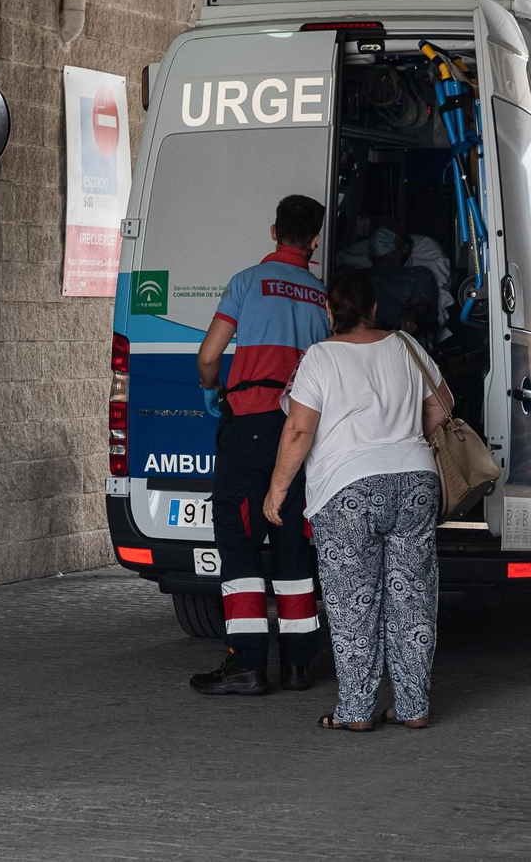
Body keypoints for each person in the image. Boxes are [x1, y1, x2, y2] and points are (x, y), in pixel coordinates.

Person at [263, 269, 451, 730]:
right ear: (374, 308)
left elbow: (299, 429)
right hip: (415, 484)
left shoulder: (319, 358)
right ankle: (412, 707)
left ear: (330, 310)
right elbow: (443, 406)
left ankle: (356, 711)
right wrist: (403, 442)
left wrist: (278, 489)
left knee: (354, 603)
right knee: (413, 598)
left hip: (348, 490)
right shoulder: (406, 346)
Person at [190, 194, 330, 696]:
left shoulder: (247, 282)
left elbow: (209, 356)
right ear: (315, 240)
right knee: (293, 544)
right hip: (301, 430)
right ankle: (297, 665)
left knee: (239, 540)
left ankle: (246, 663)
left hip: (249, 426)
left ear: (274, 232)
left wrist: (212, 389)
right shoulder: (323, 296)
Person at [339, 227, 453, 337]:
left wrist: (411, 313)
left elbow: (423, 304)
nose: (380, 236)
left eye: (390, 233)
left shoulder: (418, 275)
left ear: (404, 248)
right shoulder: (355, 276)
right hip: (356, 334)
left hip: (394, 336)